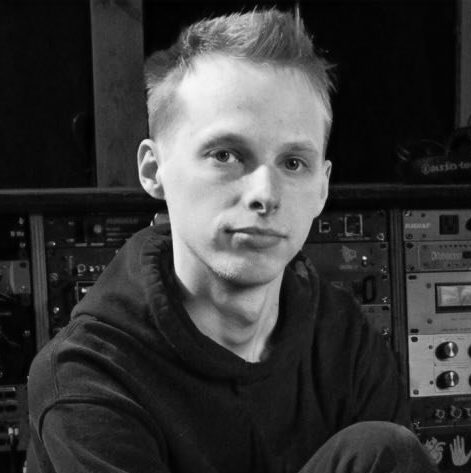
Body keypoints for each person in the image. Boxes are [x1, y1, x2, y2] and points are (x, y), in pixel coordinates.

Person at [27, 8, 438, 473]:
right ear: (153, 170)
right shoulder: (89, 374)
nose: (265, 194)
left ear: (322, 187)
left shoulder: (346, 342)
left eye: (293, 163)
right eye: (226, 154)